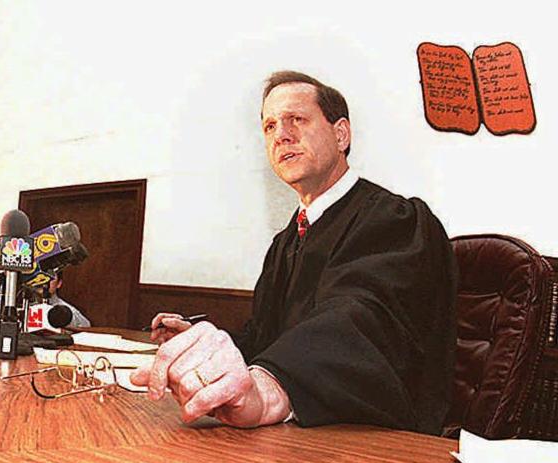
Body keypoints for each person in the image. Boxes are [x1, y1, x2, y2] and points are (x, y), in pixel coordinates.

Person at [131, 71, 457, 435]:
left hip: (378, 444)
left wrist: (273, 386)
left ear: (341, 134)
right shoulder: (285, 242)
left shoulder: (395, 219)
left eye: (297, 119)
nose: (281, 135)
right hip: (295, 437)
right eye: (269, 127)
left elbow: (360, 320)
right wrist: (202, 345)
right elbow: (265, 338)